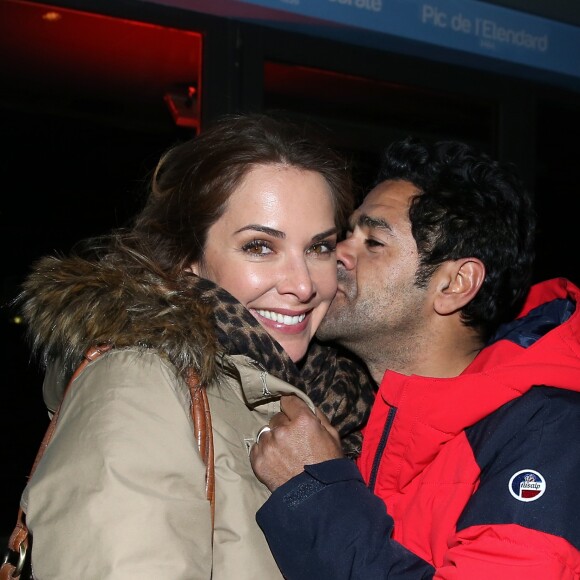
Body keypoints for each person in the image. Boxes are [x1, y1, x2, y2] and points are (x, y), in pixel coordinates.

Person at [13, 112, 376, 579]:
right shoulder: (139, 380)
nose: (302, 285)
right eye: (260, 247)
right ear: (189, 259)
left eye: (319, 248)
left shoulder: (332, 398)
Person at [250, 136, 580, 578]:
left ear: (455, 284)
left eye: (373, 242)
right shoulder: (355, 412)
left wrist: (315, 490)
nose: (336, 253)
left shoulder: (550, 433)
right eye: (346, 234)